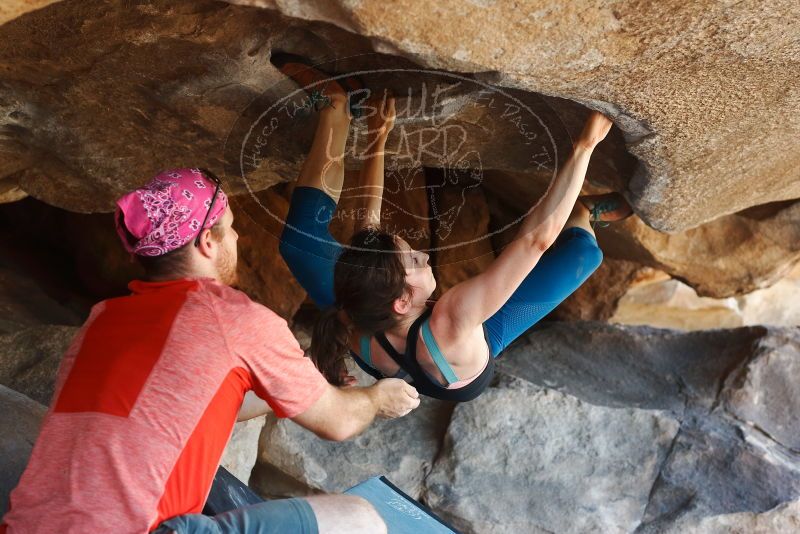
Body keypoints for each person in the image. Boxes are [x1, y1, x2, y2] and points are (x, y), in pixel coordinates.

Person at [1, 168, 419, 534]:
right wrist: (375, 398)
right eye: (231, 226)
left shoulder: (100, 320)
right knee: (359, 518)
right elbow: (339, 422)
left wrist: (296, 381)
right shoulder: (232, 318)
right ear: (206, 242)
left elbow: (180, 406)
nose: (237, 236)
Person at [276, 57, 632, 402]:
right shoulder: (453, 316)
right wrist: (585, 146)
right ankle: (584, 211)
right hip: (468, 350)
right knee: (584, 253)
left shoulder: (357, 313)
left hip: (403, 334)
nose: (425, 254)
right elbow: (536, 241)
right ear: (402, 301)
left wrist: (377, 139)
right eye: (414, 259)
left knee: (298, 244)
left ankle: (337, 109)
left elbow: (367, 229)